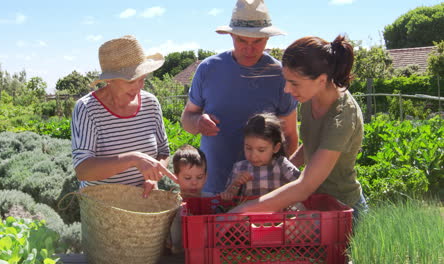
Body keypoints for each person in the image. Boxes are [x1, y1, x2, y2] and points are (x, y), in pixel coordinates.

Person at [230, 35, 368, 222]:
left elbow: (305, 186)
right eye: (286, 80)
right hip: (315, 204)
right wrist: (281, 167)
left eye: (294, 83)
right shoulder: (310, 97)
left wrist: (242, 210)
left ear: (321, 80)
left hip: (343, 210)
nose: (287, 89)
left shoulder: (343, 116)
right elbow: (313, 143)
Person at [181, 0, 298, 197]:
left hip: (262, 192)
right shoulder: (209, 69)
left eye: (257, 41)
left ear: (267, 39)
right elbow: (187, 120)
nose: (249, 49)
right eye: (242, 40)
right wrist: (198, 122)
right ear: (231, 35)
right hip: (213, 186)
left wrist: (279, 181)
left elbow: (290, 135)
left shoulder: (279, 75)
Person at [71, 35, 177, 198]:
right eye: (130, 81)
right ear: (110, 80)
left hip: (143, 199)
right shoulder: (87, 108)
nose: (138, 87)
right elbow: (83, 170)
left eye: (142, 79)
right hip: (102, 205)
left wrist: (154, 177)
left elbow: (163, 151)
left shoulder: (151, 103)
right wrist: (132, 158)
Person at [220, 113, 300, 200]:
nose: (253, 156)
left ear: (276, 148)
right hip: (248, 213)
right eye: (248, 148)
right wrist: (235, 184)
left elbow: (301, 184)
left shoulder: (281, 165)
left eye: (261, 150)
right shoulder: (240, 168)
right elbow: (228, 198)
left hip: (277, 213)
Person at [167, 144, 207, 254]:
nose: (194, 182)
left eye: (199, 177)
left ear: (206, 176)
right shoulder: (172, 203)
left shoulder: (209, 199)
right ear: (176, 177)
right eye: (188, 178)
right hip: (178, 255)